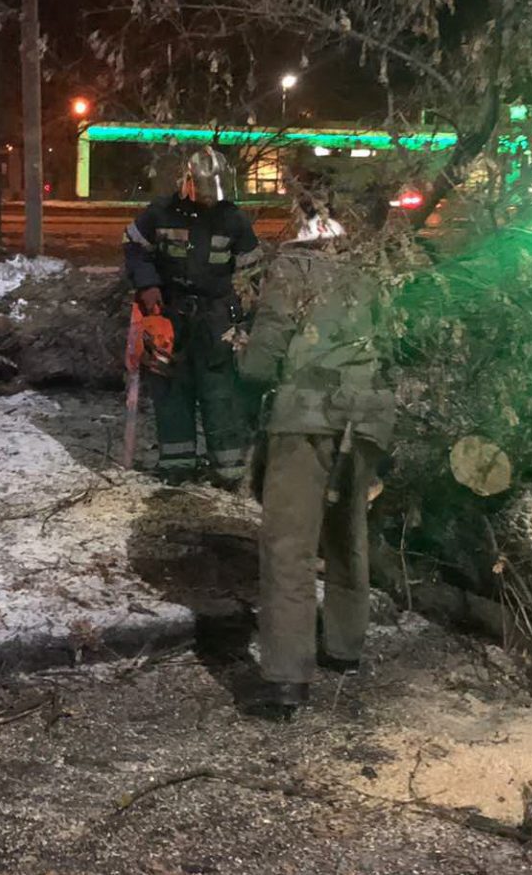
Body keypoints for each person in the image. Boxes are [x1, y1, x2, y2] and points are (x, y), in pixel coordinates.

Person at [236, 192, 397, 718]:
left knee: (290, 544)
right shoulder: (373, 271)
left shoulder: (292, 269)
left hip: (305, 419)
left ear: (301, 226)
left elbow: (261, 363)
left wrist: (242, 358)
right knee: (349, 530)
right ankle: (345, 648)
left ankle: (286, 678)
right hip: (368, 416)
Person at [122, 147, 263, 486]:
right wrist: (148, 284)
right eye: (200, 189)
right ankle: (177, 465)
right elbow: (133, 247)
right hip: (170, 314)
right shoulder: (160, 214)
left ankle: (228, 471)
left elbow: (253, 273)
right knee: (171, 389)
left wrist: (245, 317)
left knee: (221, 392)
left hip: (217, 319)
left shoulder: (234, 220)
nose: (205, 198)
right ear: (187, 181)